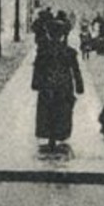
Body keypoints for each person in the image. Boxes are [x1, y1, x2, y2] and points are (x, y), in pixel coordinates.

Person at [32, 20, 85, 152]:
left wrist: (35, 83)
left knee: (47, 110)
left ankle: (50, 136)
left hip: (47, 84)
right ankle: (58, 134)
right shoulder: (69, 52)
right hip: (64, 85)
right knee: (62, 111)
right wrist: (79, 85)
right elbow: (76, 70)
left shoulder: (44, 51)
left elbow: (38, 69)